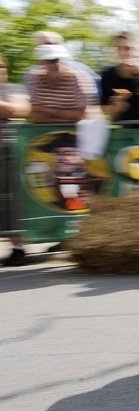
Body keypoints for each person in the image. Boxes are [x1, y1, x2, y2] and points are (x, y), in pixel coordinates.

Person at [1, 52, 30, 266]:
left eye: (1, 66)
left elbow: (19, 109)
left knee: (12, 201)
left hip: (9, 151)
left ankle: (18, 247)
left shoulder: (13, 89)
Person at [26, 44, 88, 124]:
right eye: (50, 61)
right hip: (43, 131)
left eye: (57, 60)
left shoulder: (76, 77)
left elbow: (79, 115)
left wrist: (48, 111)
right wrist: (66, 115)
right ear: (42, 63)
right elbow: (36, 116)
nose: (55, 64)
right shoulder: (35, 78)